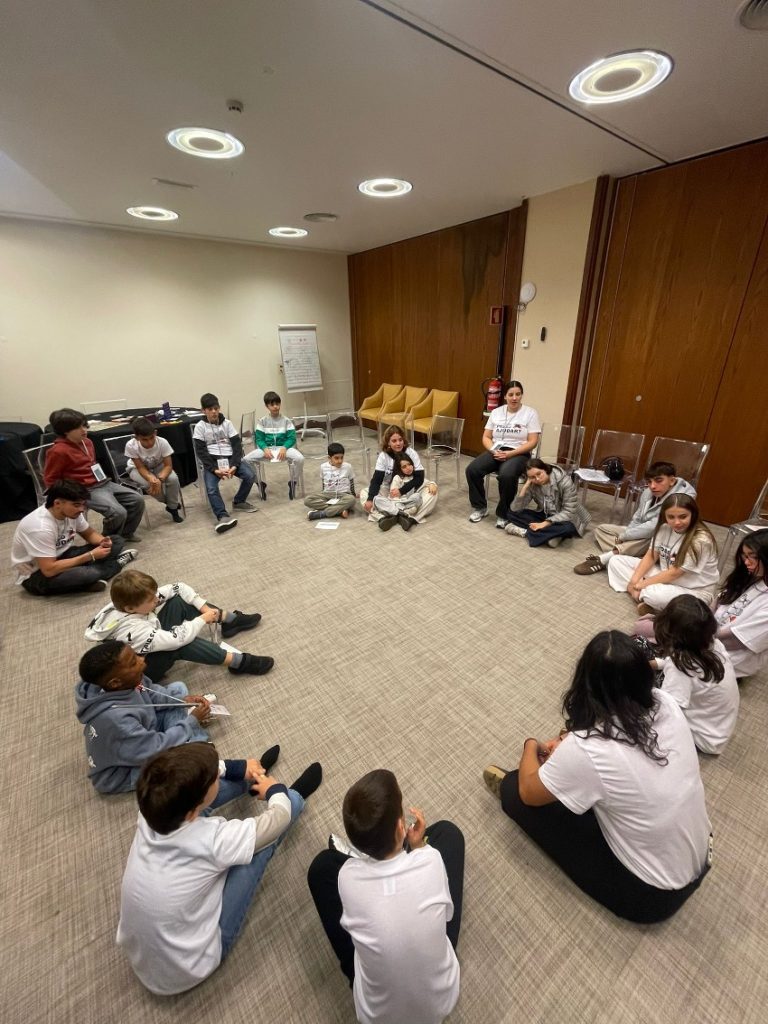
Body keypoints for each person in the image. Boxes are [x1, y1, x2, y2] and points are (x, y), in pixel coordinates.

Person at [483, 631, 712, 923]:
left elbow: (529, 792)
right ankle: (566, 781)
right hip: (701, 853)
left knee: (517, 792)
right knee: (595, 788)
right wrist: (568, 747)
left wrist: (530, 744)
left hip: (654, 895)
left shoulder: (590, 749)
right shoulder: (666, 702)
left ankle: (524, 783)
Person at [117, 741, 322, 995]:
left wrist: (240, 768)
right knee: (256, 850)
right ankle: (295, 797)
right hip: (192, 963)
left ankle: (254, 778)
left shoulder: (152, 806)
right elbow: (277, 820)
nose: (216, 773)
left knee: (216, 788)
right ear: (192, 814)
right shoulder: (213, 839)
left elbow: (201, 776)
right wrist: (275, 790)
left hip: (149, 953)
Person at [307, 768, 464, 1024]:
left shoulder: (347, 877)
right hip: (442, 999)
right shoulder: (431, 860)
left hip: (376, 1016)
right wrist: (418, 846)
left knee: (321, 868)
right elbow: (447, 916)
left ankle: (365, 857)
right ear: (401, 827)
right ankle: (401, 852)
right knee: (448, 833)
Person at [76, 639, 246, 793]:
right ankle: (194, 745)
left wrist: (182, 701)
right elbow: (153, 749)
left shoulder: (125, 680)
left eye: (136, 655)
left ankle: (189, 740)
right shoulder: (116, 720)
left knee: (178, 688)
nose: (142, 660)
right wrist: (192, 722)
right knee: (178, 768)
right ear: (115, 683)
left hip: (140, 734)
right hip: (125, 770)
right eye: (134, 662)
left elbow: (149, 691)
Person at [84, 570, 273, 679]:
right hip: (141, 671)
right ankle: (239, 663)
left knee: (179, 601)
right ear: (130, 608)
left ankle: (229, 621)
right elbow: (177, 639)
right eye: (151, 600)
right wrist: (202, 619)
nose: (157, 599)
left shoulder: (132, 601)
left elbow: (178, 587)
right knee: (181, 644)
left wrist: (207, 610)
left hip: (149, 638)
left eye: (155, 594)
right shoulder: (132, 631)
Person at [11, 479, 136, 596]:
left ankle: (90, 578)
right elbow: (49, 570)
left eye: (83, 505)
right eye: (76, 505)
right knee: (90, 573)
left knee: (116, 541)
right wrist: (90, 556)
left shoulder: (72, 513)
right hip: (36, 574)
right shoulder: (40, 527)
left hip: (64, 555)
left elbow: (89, 534)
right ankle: (114, 565)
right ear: (57, 503)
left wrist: (103, 541)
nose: (82, 509)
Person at [650, 596, 739, 755]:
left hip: (701, 738)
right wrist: (657, 664)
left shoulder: (681, 667)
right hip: (718, 731)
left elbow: (668, 710)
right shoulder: (713, 644)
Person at [574, 461, 696, 575]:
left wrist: (625, 536)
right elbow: (637, 517)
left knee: (650, 537)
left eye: (658, 481)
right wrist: (628, 533)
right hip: (644, 534)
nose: (653, 486)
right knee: (601, 530)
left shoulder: (682, 497)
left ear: (672, 480)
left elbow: (653, 527)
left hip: (664, 538)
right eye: (649, 482)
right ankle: (638, 553)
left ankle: (604, 558)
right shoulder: (648, 491)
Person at [607, 493, 719, 614]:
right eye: (671, 517)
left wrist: (641, 584)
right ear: (664, 516)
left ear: (693, 514)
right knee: (615, 561)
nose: (677, 522)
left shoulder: (701, 540)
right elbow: (651, 556)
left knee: (654, 594)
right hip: (665, 576)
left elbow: (675, 573)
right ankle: (646, 600)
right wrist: (634, 581)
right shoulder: (664, 528)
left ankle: (645, 598)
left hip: (695, 591)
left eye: (683, 517)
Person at [43, 407, 145, 539]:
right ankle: (105, 540)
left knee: (137, 500)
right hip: (85, 490)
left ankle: (125, 534)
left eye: (84, 426)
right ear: (65, 431)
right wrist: (66, 497)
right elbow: (51, 479)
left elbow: (91, 464)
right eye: (78, 428)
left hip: (103, 482)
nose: (84, 430)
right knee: (117, 512)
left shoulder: (88, 442)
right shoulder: (58, 451)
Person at [465, 380, 541, 526]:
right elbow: (486, 437)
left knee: (507, 475)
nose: (514, 398)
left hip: (519, 453)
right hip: (497, 450)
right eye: (511, 394)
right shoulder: (496, 412)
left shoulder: (530, 413)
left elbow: (533, 441)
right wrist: (494, 450)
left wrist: (510, 454)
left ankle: (504, 513)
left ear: (521, 395)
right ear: (505, 396)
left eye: (518, 394)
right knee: (472, 470)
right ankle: (480, 507)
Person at [192, 392, 256, 533]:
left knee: (250, 475)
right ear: (203, 410)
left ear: (219, 408)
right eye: (210, 409)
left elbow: (237, 447)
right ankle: (222, 516)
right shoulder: (200, 427)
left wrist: (234, 465)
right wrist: (214, 469)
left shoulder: (227, 424)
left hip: (230, 458)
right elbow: (201, 452)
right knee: (211, 488)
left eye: (216, 408)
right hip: (213, 461)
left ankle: (239, 501)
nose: (214, 412)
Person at [710, 529, 768, 678]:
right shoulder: (752, 575)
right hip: (710, 634)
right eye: (745, 556)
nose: (746, 562)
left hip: (729, 655)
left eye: (753, 557)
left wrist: (697, 636)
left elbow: (736, 640)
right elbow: (719, 601)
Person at [503, 458, 590, 548]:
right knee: (511, 514)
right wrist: (525, 487)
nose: (537, 479)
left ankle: (527, 533)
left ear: (545, 469)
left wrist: (544, 524)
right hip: (545, 513)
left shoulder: (565, 482)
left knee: (567, 528)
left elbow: (569, 512)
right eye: (532, 477)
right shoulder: (532, 483)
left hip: (567, 517)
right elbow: (516, 509)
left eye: (539, 474)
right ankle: (552, 536)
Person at [361, 425, 438, 524]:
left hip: (409, 490)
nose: (398, 443)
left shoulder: (411, 453)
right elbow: (377, 480)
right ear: (388, 442)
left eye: (400, 440)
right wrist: (370, 499)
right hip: (389, 491)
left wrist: (401, 491)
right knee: (365, 494)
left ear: (404, 440)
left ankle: (402, 517)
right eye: (394, 441)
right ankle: (394, 515)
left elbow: (419, 478)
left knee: (432, 493)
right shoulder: (383, 456)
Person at [245, 391, 304, 499]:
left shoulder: (286, 421)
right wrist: (264, 448)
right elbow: (259, 439)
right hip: (267, 449)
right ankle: (259, 483)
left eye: (277, 404)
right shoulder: (262, 421)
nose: (275, 406)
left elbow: (292, 438)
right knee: (246, 460)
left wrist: (284, 447)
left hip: (284, 449)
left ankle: (293, 482)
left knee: (300, 458)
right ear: (267, 406)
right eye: (272, 404)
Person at [124, 416, 183, 523]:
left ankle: (172, 507)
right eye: (144, 439)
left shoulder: (162, 442)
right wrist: (151, 478)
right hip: (136, 468)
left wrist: (159, 479)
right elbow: (140, 467)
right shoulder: (131, 445)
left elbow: (168, 466)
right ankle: (172, 506)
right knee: (148, 484)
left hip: (159, 465)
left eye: (152, 438)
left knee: (173, 479)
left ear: (155, 433)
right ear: (136, 437)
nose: (149, 442)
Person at [373, 452, 429, 531]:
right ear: (400, 469)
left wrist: (432, 484)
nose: (408, 468)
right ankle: (401, 514)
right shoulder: (397, 478)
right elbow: (393, 497)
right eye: (404, 467)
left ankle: (395, 516)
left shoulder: (416, 477)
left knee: (417, 496)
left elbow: (425, 482)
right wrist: (399, 505)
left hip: (407, 503)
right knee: (377, 499)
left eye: (409, 464)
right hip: (396, 503)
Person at [304, 442, 357, 520]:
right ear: (329, 458)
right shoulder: (323, 467)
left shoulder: (348, 467)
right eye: (336, 458)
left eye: (342, 457)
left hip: (343, 494)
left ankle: (323, 513)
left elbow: (351, 482)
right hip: (328, 494)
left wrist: (353, 494)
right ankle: (339, 510)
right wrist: (323, 494)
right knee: (307, 500)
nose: (340, 461)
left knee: (351, 499)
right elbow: (323, 482)